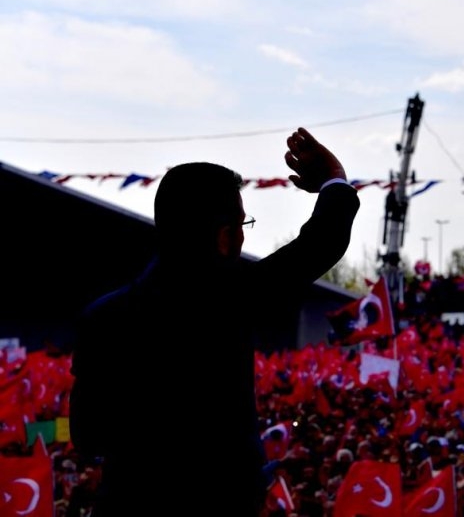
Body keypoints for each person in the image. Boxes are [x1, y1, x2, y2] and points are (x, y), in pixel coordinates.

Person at [69, 127, 360, 516]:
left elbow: (87, 438)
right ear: (225, 236)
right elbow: (321, 242)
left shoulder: (101, 317)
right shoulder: (229, 299)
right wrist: (334, 180)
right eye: (242, 224)